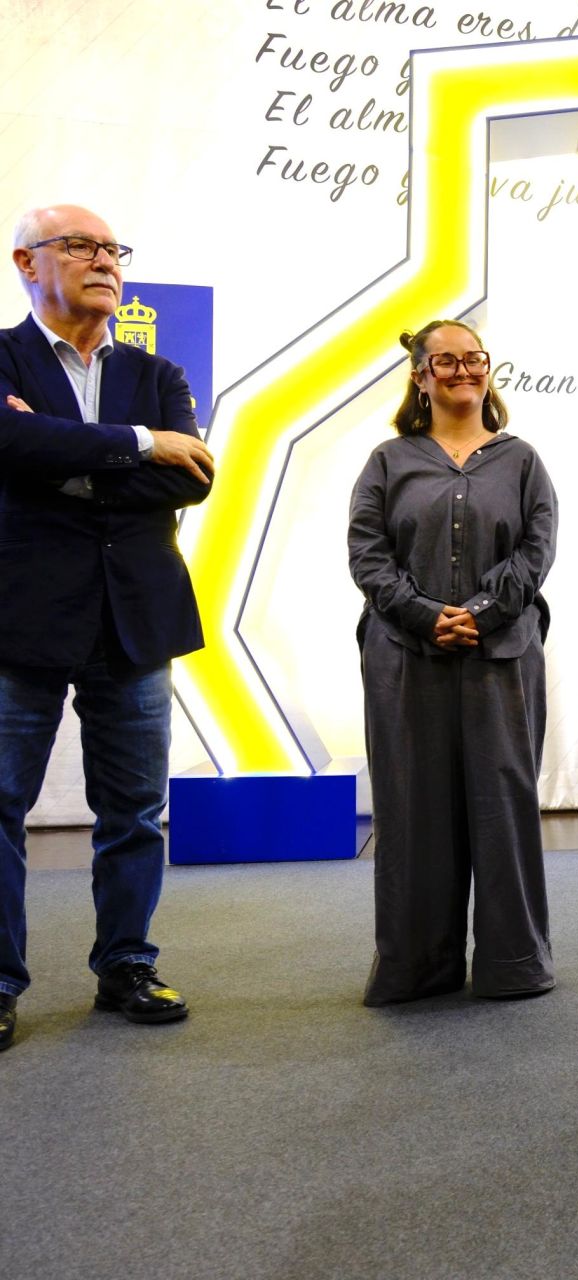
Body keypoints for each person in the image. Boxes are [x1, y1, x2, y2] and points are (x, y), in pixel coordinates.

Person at [0, 205, 217, 1052]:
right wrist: (136, 444)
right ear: (28, 261)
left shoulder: (159, 372)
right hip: (19, 615)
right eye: (82, 246)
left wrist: (62, 464)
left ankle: (125, 962)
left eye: (112, 249)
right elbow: (6, 443)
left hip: (137, 617)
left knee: (135, 810)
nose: (105, 261)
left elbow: (190, 477)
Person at [347, 321, 557, 1006]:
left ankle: (513, 965)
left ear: (488, 370)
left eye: (474, 359)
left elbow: (537, 547)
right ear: (420, 375)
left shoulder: (522, 460)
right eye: (446, 361)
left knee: (503, 808)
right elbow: (367, 552)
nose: (463, 370)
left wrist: (486, 610)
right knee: (411, 812)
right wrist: (423, 613)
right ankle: (416, 968)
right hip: (406, 658)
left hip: (503, 658)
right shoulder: (388, 460)